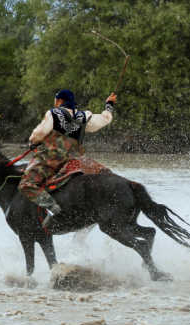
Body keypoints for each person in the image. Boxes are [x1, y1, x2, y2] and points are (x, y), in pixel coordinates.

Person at [18, 88, 117, 227]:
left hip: (54, 157)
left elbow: (39, 133)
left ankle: (53, 209)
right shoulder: (85, 116)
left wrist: (32, 142)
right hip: (77, 157)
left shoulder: (53, 113)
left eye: (55, 100)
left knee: (25, 184)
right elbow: (104, 119)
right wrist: (109, 105)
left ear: (59, 101)